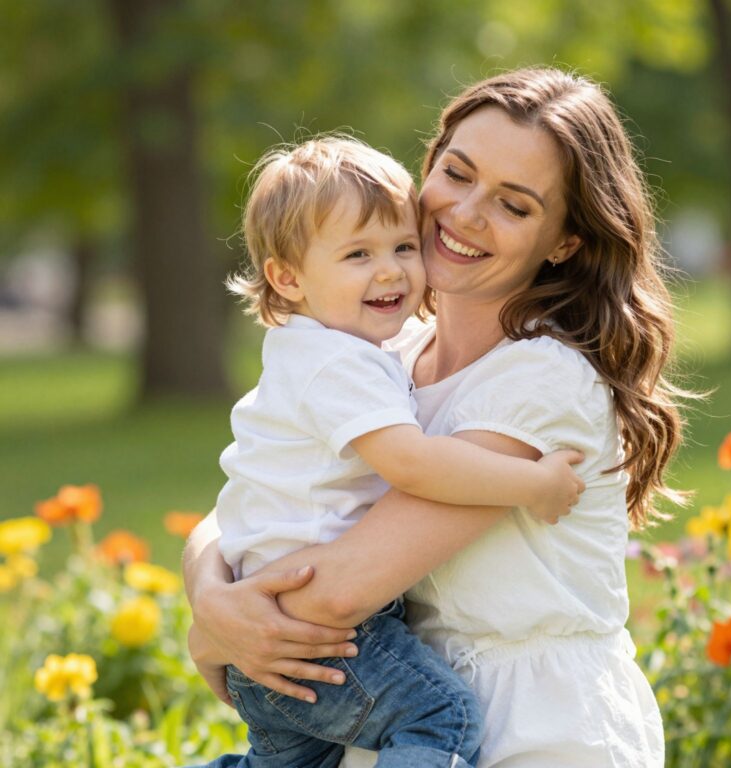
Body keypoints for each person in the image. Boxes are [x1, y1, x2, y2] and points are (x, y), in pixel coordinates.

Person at [185, 67, 688, 768]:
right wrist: (210, 594)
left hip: (532, 726)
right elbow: (252, 494)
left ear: (564, 241)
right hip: (391, 713)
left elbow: (340, 592)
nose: (466, 213)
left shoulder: (542, 380)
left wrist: (217, 631)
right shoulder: (384, 348)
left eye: (514, 206)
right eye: (457, 173)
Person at [203, 136, 585, 768]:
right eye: (358, 254)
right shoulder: (340, 363)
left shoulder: (338, 349)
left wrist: (213, 616)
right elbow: (410, 463)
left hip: (277, 623)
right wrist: (530, 484)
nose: (390, 271)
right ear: (286, 276)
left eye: (403, 246)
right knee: (442, 717)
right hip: (326, 636)